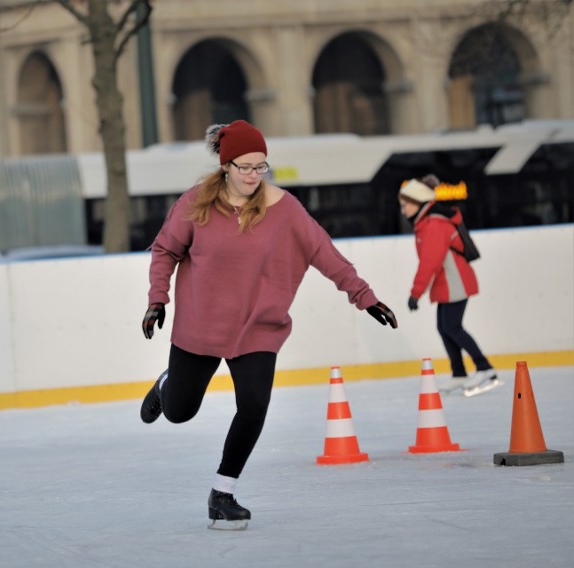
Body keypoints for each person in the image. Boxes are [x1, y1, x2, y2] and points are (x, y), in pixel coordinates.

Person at [139, 120, 398, 530]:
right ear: (226, 165)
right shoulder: (195, 203)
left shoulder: (284, 209)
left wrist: (365, 296)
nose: (254, 176)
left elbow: (323, 253)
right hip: (201, 326)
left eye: (261, 167)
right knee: (179, 413)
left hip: (258, 327)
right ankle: (168, 384)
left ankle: (222, 493)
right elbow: (165, 250)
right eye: (245, 167)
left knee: (254, 407)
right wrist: (158, 299)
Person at [398, 176, 499, 397]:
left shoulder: (434, 224)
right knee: (444, 328)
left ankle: (485, 368)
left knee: (452, 327)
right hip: (448, 283)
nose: (403, 210)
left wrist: (415, 294)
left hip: (456, 282)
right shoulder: (426, 223)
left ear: (417, 202)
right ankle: (459, 373)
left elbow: (430, 262)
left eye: (405, 205)